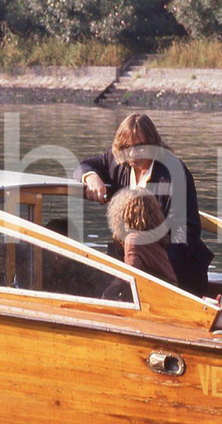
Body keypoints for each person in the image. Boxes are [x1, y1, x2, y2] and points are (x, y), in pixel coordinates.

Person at [75, 112, 213, 297]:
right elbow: (84, 166)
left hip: (176, 269)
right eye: (126, 147)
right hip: (133, 263)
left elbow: (187, 233)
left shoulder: (173, 173)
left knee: (135, 241)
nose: (132, 154)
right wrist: (91, 177)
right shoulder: (118, 160)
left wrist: (157, 270)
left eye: (140, 147)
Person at [106, 188, 177, 285]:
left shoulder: (133, 240)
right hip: (169, 288)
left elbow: (128, 278)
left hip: (159, 292)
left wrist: (107, 292)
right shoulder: (152, 239)